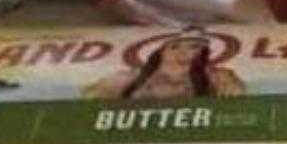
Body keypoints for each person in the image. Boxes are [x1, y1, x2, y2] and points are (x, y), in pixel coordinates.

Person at [85, 29, 245, 100]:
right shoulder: (130, 77)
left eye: (194, 47)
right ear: (161, 52)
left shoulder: (218, 76)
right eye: (174, 47)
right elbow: (91, 96)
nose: (182, 52)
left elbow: (236, 96)